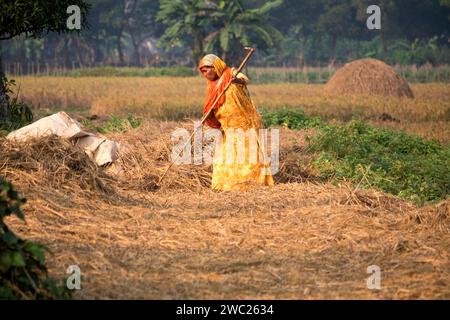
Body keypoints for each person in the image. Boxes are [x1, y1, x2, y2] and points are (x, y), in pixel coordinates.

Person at [198, 54, 275, 191]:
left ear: (216, 66)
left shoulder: (231, 73)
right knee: (225, 157)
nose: (205, 73)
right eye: (202, 71)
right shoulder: (212, 86)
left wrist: (235, 81)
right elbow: (212, 105)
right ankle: (226, 186)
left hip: (243, 124)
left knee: (247, 156)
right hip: (227, 128)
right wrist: (208, 115)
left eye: (207, 69)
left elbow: (244, 80)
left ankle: (249, 185)